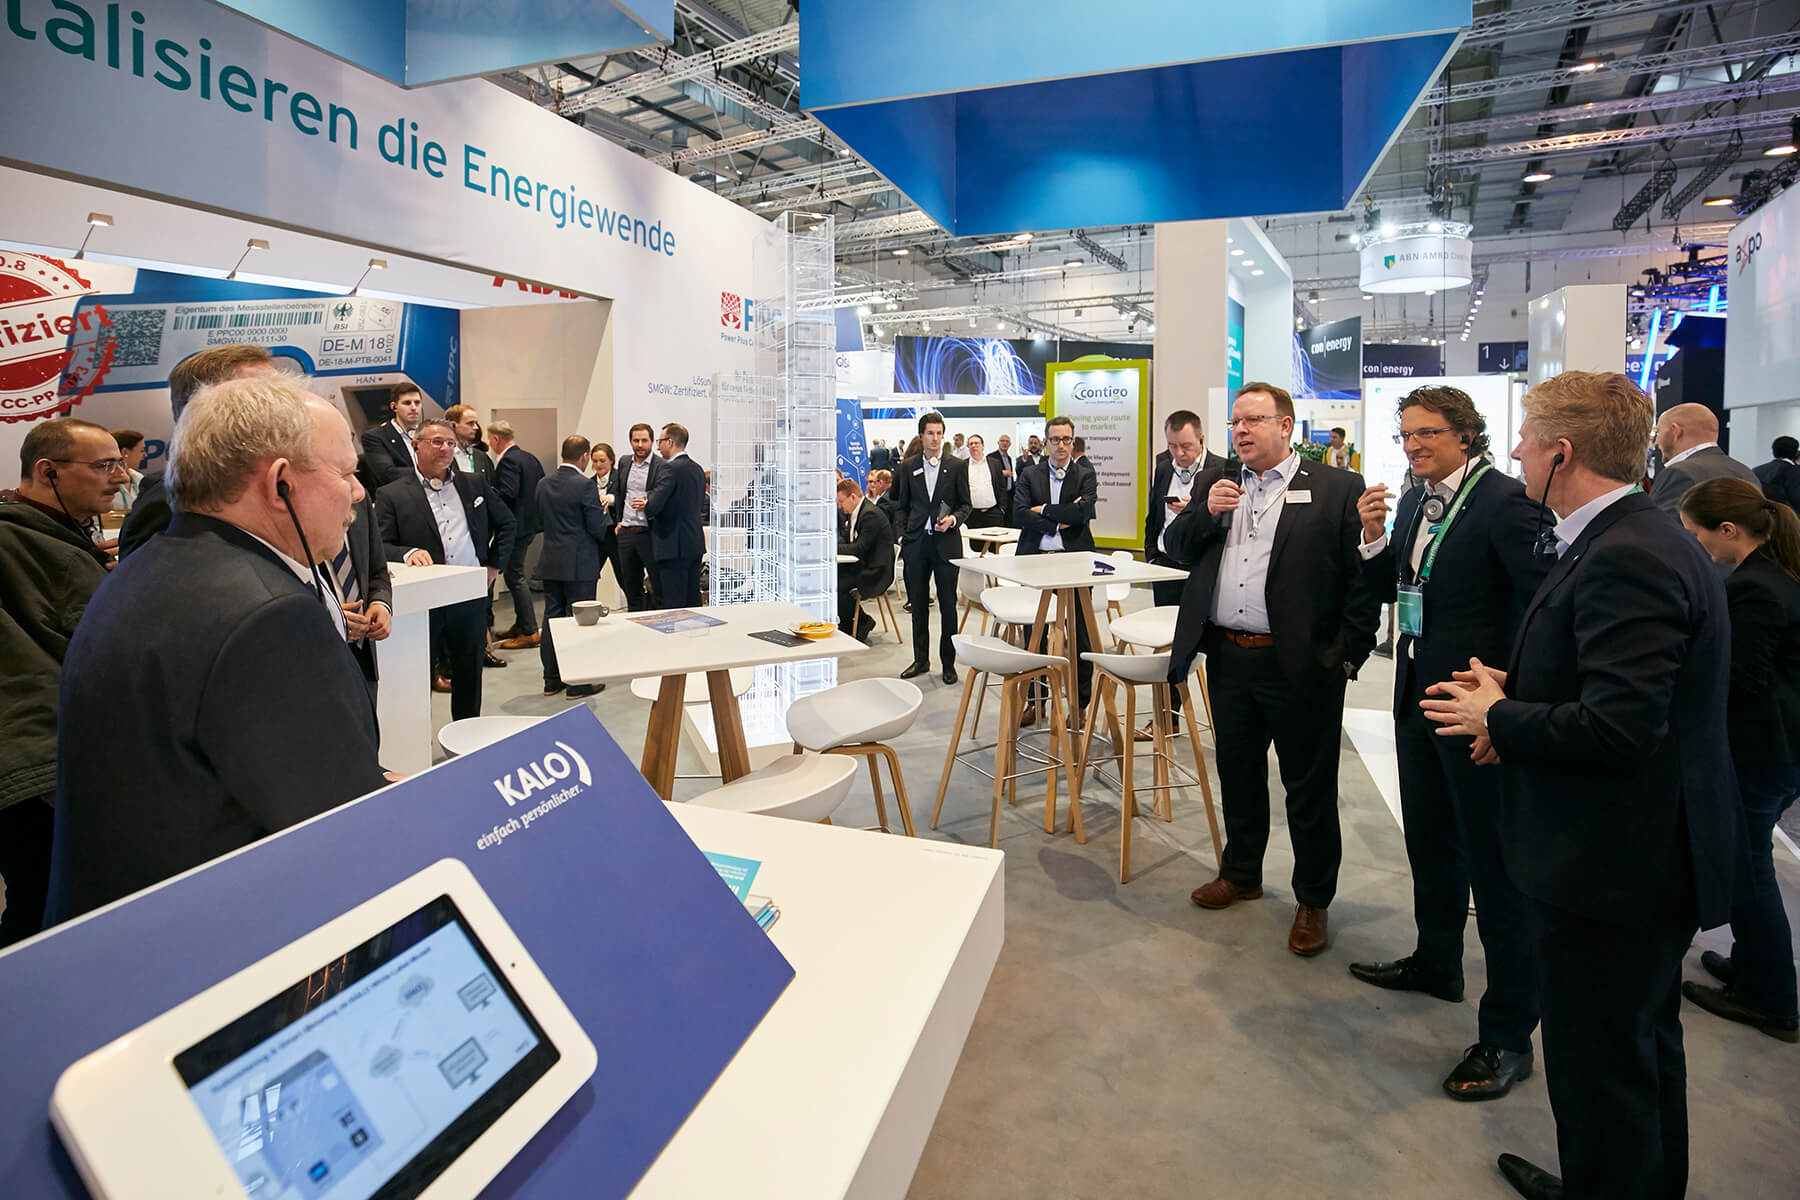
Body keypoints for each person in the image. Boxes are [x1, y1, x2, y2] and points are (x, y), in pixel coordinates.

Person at [1421, 371, 1741, 1200]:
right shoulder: (1630, 536)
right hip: (1630, 860)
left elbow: (1619, 728)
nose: (1517, 451)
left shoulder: (1627, 554)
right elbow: (1620, 690)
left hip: (1616, 867)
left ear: (1561, 454)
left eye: (1528, 439)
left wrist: (1501, 718)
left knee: (1603, 1065)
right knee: (1635, 1052)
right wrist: (1521, 695)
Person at [47, 376, 391, 924]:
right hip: (221, 935)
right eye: (346, 473)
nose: (357, 493)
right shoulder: (270, 616)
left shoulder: (148, 567)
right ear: (280, 483)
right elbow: (343, 828)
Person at [1347, 385, 1551, 1101]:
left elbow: (1541, 609)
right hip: (1416, 695)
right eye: (1406, 434)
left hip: (1474, 707)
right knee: (1431, 843)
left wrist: (1511, 703)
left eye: (1427, 433)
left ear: (1467, 435)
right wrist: (1373, 537)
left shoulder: (1505, 503)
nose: (1413, 445)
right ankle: (1437, 962)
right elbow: (1395, 588)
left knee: (1496, 872)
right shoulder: (1413, 499)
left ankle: (1508, 1035)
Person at [1166, 381, 1378, 958]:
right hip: (1230, 657)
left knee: (1307, 786)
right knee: (1237, 773)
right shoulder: (1216, 483)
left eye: (1253, 419)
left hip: (1302, 665)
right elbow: (1176, 547)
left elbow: (1359, 582)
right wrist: (1206, 513)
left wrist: (1348, 654)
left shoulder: (1336, 487)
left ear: (1285, 426)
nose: (1241, 430)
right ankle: (1241, 873)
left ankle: (1313, 899)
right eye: (1235, 421)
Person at [1677, 478, 1800, 1043]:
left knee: (1748, 868)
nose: (1694, 544)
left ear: (1727, 530)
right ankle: (1754, 964)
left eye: (1696, 533)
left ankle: (1771, 997)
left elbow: (1740, 680)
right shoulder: (1779, 574)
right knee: (1749, 861)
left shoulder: (1754, 588)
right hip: (1780, 747)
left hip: (1764, 749)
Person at [0, 419, 119, 945]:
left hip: (32, 760)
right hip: (41, 764)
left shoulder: (45, 540)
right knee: (48, 914)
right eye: (104, 465)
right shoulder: (44, 551)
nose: (121, 476)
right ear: (48, 471)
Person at [377, 419, 515, 721]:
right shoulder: (392, 494)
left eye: (450, 443)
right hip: (423, 602)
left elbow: (507, 523)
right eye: (436, 442)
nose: (445, 448)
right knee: (419, 675)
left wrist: (493, 566)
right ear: (416, 446)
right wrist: (407, 552)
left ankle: (467, 735)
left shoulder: (474, 484)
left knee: (469, 674)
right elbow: (380, 545)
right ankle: (416, 742)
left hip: (469, 596)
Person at [119, 343, 277, 558]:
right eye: (265, 395)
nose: (288, 404)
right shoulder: (176, 496)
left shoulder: (275, 480)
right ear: (205, 407)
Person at [1141, 410, 1227, 739]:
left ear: (1201, 440)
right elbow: (1154, 514)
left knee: (1206, 643)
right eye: (1172, 446)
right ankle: (1167, 718)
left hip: (1200, 569)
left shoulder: (1221, 471)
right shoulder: (1163, 467)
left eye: (1186, 446)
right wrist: (1152, 553)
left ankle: (1222, 724)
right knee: (1168, 645)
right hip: (1165, 565)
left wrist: (1195, 512)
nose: (1179, 453)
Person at [1017, 415, 1099, 719]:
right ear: (1046, 442)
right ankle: (1036, 700)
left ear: (1073, 442)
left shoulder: (1085, 474)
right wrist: (1058, 521)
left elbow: (1084, 512)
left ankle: (1079, 704)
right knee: (1034, 635)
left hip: (1075, 562)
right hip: (1036, 560)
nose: (1061, 445)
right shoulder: (1029, 474)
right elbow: (1019, 514)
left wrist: (1044, 510)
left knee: (1080, 635)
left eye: (1066, 439)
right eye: (1055, 439)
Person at [891, 411, 971, 683]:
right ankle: (921, 660)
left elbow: (966, 504)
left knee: (948, 605)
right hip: (916, 544)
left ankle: (948, 664)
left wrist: (954, 519)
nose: (935, 438)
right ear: (921, 436)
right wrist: (901, 536)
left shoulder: (957, 466)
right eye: (930, 433)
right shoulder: (907, 466)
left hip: (946, 544)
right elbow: (900, 505)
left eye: (939, 433)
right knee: (918, 605)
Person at [535, 435, 610, 698]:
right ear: (585, 456)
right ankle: (578, 684)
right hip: (580, 562)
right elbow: (596, 528)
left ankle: (551, 680)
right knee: (580, 622)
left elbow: (539, 520)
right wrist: (602, 513)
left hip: (551, 560)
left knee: (552, 619)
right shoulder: (584, 485)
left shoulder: (543, 483)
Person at [334, 487, 394, 709]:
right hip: (319, 657)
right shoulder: (292, 509)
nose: (358, 490)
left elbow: (377, 569)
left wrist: (381, 603)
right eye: (344, 473)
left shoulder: (359, 498)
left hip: (364, 654)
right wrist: (330, 614)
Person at [1649, 401, 1759, 518]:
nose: (1656, 442)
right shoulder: (1746, 472)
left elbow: (1661, 526)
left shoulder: (1680, 473)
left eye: (1658, 432)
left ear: (1675, 431)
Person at [489, 420, 544, 647]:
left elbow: (508, 492)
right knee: (515, 575)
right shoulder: (530, 458)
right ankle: (522, 624)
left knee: (515, 576)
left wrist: (487, 495)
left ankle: (530, 630)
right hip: (530, 525)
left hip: (516, 527)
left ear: (495, 439)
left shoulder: (508, 460)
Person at [646, 422, 706, 607]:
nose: (658, 447)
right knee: (693, 600)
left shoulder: (669, 469)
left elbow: (654, 506)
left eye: (660, 442)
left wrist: (648, 502)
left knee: (674, 604)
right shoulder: (697, 469)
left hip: (672, 545)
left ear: (670, 442)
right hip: (693, 542)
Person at [611, 422, 666, 611]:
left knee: (658, 586)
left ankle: (661, 623)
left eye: (644, 440)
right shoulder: (624, 462)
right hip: (626, 532)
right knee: (631, 588)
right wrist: (619, 520)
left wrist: (648, 502)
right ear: (630, 442)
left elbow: (663, 494)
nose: (640, 445)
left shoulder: (661, 466)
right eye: (636, 441)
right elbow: (620, 492)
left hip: (649, 532)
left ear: (652, 441)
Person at [836, 478, 894, 642]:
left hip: (876, 571)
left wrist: (832, 548)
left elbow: (859, 547)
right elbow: (846, 538)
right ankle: (852, 623)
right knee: (832, 579)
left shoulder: (870, 514)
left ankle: (861, 622)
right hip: (862, 565)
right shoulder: (856, 512)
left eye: (841, 501)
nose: (840, 506)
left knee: (837, 586)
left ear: (853, 497)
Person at [361, 382, 425, 486]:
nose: (414, 407)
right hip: (403, 492)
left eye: (417, 402)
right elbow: (387, 474)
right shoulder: (376, 437)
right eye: (407, 403)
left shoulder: (428, 434)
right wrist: (428, 472)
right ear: (394, 407)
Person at [965, 433, 1008, 528]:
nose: (974, 446)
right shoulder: (963, 465)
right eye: (971, 444)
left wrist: (1002, 509)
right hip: (971, 515)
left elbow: (1002, 487)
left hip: (993, 513)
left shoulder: (995, 463)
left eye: (976, 443)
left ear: (983, 446)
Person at [444, 404, 494, 480]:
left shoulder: (481, 457)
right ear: (452, 425)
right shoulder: (442, 456)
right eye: (470, 423)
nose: (476, 427)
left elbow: (491, 484)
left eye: (476, 423)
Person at [1754, 435, 1800, 508]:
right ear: (1796, 452)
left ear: (1773, 451)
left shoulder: (1756, 470)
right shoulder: (1794, 472)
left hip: (1759, 512)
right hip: (1787, 513)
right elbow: (1797, 499)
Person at [111, 428, 146, 510]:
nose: (145, 455)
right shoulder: (103, 482)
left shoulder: (139, 477)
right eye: (142, 450)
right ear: (125, 452)